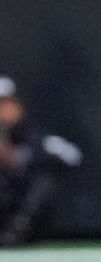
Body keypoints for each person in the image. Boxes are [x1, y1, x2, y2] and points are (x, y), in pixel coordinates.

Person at [0, 75, 82, 245]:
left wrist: (18, 158)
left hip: (21, 204)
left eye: (4, 104)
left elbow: (71, 155)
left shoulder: (32, 135)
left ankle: (17, 230)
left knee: (45, 179)